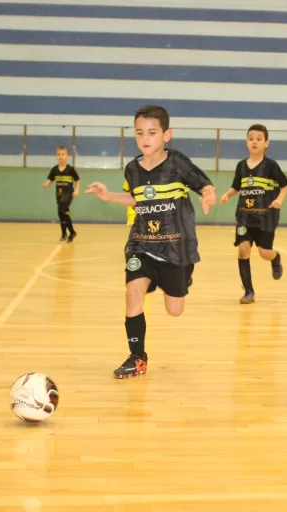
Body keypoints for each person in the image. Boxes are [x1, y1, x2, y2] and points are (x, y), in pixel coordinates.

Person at [86, 105, 216, 379]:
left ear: (166, 135)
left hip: (174, 246)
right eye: (140, 133)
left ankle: (182, 275)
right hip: (141, 242)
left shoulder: (177, 163)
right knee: (132, 292)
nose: (146, 138)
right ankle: (137, 358)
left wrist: (208, 194)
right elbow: (136, 198)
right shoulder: (132, 169)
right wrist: (108, 196)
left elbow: (204, 184)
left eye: (152, 133)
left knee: (175, 310)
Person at [220, 124, 287, 304]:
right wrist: (228, 194)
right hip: (244, 217)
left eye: (259, 139)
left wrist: (279, 200)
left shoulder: (271, 166)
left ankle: (276, 257)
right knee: (243, 249)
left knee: (264, 252)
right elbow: (237, 186)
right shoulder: (241, 166)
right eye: (251, 138)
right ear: (247, 142)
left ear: (266, 143)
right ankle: (249, 291)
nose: (254, 142)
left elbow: (285, 186)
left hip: (266, 217)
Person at [42, 146, 80, 242]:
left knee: (62, 211)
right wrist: (46, 184)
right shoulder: (55, 169)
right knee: (61, 213)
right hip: (59, 194)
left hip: (68, 194)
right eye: (59, 154)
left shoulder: (70, 169)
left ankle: (69, 232)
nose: (61, 156)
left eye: (63, 154)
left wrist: (77, 190)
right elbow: (50, 179)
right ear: (56, 156)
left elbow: (77, 180)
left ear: (67, 156)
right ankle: (67, 233)